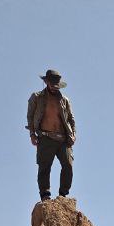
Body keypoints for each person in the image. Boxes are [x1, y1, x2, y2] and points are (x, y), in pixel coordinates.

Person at [27, 69, 77, 201]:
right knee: (44, 166)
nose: (55, 88)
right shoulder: (37, 97)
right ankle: (45, 195)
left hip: (63, 139)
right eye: (52, 84)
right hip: (45, 137)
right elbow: (30, 117)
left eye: (57, 85)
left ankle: (63, 195)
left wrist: (73, 134)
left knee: (68, 165)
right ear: (46, 82)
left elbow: (71, 119)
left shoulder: (64, 100)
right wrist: (32, 134)